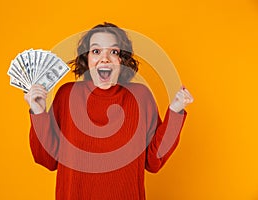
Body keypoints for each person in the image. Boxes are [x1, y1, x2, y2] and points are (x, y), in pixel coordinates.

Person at [24, 22, 194, 200]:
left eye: (113, 52)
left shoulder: (141, 96)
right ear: (87, 59)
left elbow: (153, 162)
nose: (104, 58)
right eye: (96, 51)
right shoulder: (66, 95)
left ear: (122, 60)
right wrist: (38, 113)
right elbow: (47, 160)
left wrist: (175, 111)